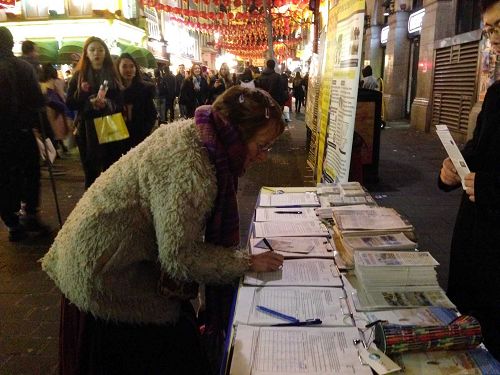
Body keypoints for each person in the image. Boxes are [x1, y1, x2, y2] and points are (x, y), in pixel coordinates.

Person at [41, 85, 285, 374]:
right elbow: (179, 256)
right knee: (177, 352)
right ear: (237, 134)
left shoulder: (202, 138)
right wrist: (245, 262)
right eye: (262, 145)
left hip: (111, 259)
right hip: (104, 276)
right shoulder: (193, 165)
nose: (263, 156)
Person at [438, 0, 500, 359]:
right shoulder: (496, 95)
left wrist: (492, 188)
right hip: (474, 252)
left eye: (498, 26)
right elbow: (477, 151)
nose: (493, 37)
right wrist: (451, 170)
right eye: (488, 29)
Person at [0, 27, 47, 241]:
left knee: (5, 177)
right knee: (30, 173)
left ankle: (11, 222)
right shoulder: (25, 68)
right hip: (22, 131)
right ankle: (29, 213)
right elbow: (38, 102)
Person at [66, 36, 124, 188]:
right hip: (87, 127)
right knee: (91, 169)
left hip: (110, 123)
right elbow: (70, 103)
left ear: (105, 53)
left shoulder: (113, 75)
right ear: (86, 53)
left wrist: (107, 104)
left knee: (111, 167)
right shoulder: (78, 77)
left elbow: (120, 102)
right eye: (92, 50)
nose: (96, 53)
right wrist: (87, 101)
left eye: (100, 49)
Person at [116, 53, 157, 148]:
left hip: (140, 137)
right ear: (118, 68)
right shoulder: (113, 91)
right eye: (124, 66)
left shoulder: (145, 90)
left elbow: (152, 114)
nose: (128, 70)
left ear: (135, 69)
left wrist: (144, 132)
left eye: (131, 66)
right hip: (119, 139)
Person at [40, 63, 70, 154]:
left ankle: (54, 150)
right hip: (55, 109)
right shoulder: (57, 81)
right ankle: (56, 149)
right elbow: (60, 94)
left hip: (47, 109)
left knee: (51, 131)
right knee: (56, 131)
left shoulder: (40, 83)